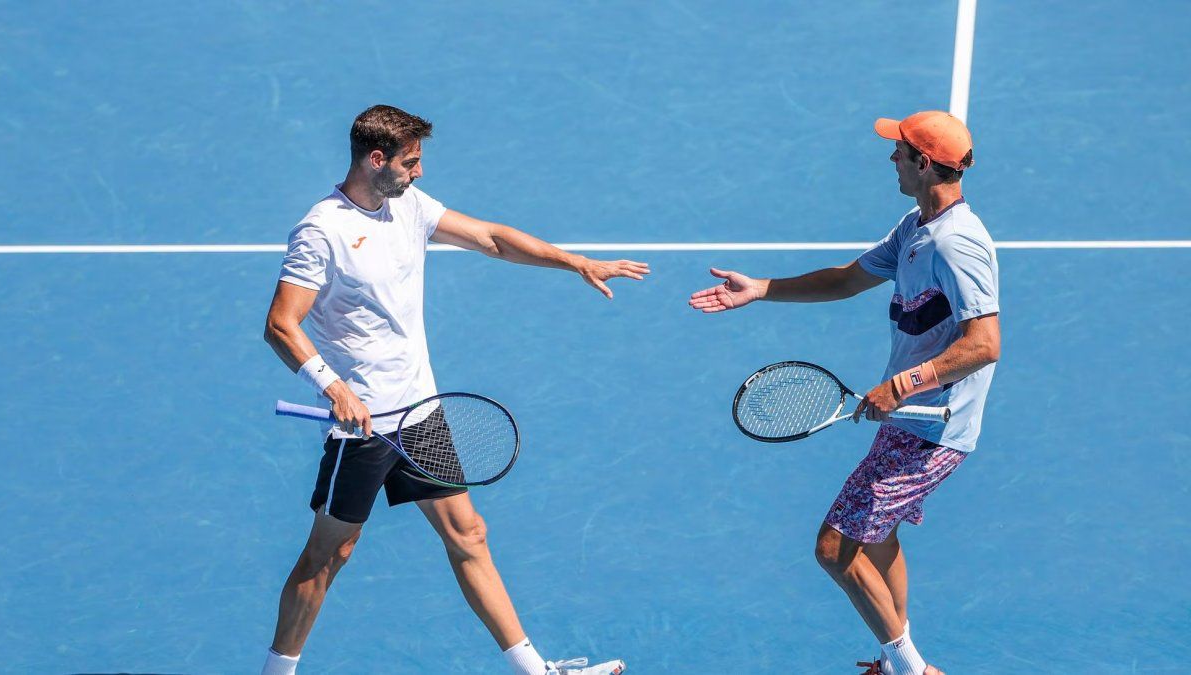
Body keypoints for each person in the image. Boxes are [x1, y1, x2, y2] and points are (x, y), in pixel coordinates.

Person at [262, 104, 646, 675]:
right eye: (410, 162)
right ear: (376, 159)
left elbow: (491, 238)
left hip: (421, 414)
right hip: (363, 430)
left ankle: (533, 672)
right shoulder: (322, 231)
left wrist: (575, 261)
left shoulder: (408, 206)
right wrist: (333, 386)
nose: (418, 173)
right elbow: (281, 324)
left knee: (469, 534)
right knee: (328, 555)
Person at [688, 111, 999, 675]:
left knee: (835, 548)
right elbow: (845, 279)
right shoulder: (916, 226)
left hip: (934, 426)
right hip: (913, 421)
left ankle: (912, 669)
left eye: (899, 151)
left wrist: (900, 386)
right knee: (878, 532)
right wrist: (760, 289)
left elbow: (985, 344)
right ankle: (897, 662)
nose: (891, 158)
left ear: (924, 163)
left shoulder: (956, 245)